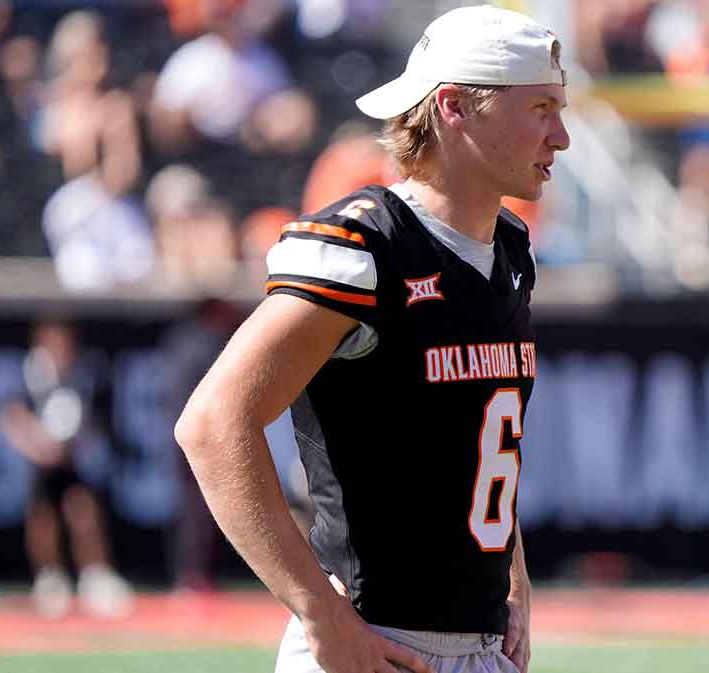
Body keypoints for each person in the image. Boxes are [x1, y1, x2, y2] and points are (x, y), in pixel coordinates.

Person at [174, 5, 569, 673]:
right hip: (374, 639)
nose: (560, 136)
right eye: (538, 109)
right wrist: (318, 612)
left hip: (479, 644)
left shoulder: (509, 248)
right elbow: (212, 423)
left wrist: (511, 565)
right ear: (454, 108)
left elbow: (470, 442)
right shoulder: (366, 248)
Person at [0, 318, 133, 618]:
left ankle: (95, 577)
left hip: (73, 460)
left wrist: (78, 444)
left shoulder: (83, 374)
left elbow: (93, 420)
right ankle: (50, 580)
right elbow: (11, 415)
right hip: (40, 463)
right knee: (43, 519)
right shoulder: (28, 375)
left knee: (84, 513)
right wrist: (37, 445)